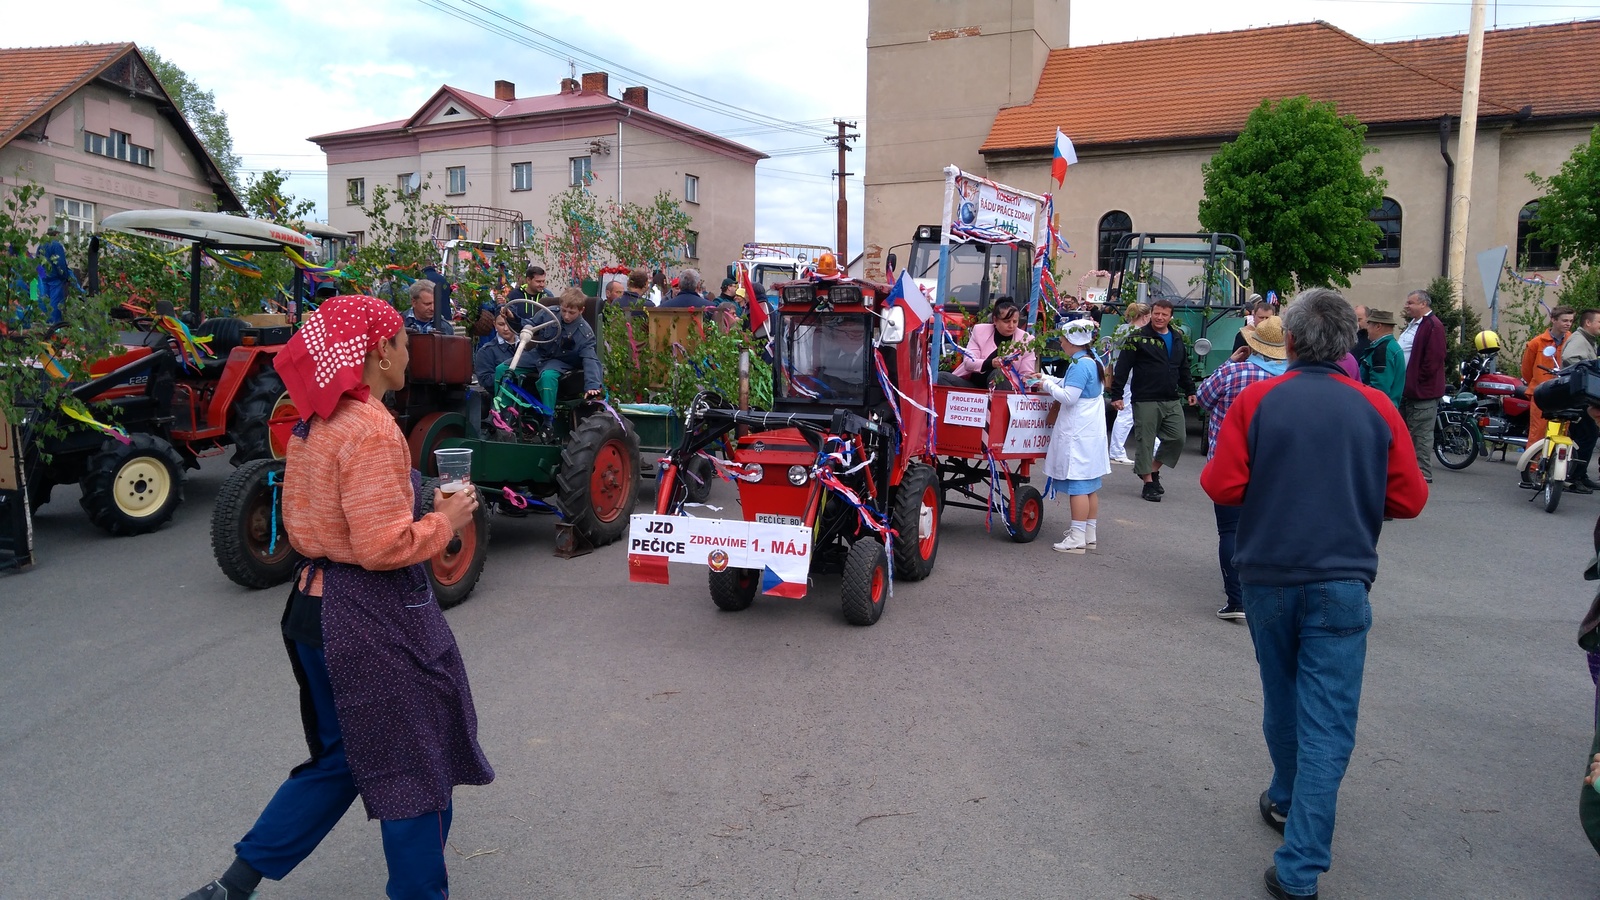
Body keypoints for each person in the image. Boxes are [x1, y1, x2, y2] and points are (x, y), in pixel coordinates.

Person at [180, 296, 490, 900]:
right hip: (367, 616)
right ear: (378, 352)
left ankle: (231, 886)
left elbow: (324, 522)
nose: (408, 353)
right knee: (413, 768)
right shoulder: (372, 427)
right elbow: (380, 547)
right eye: (402, 342)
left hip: (312, 610)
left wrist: (415, 507)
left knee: (342, 758)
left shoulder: (312, 420)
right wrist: (444, 521)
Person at [1201, 287, 1428, 900]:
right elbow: (1409, 499)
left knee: (1282, 696)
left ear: (1292, 341)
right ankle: (1300, 860)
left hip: (1269, 575)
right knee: (1328, 717)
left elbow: (1221, 485)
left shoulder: (1258, 399)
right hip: (1342, 579)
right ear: (1348, 344)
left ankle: (1284, 797)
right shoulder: (1377, 408)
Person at [1195, 315, 1289, 622]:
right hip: (1276, 466)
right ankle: (1269, 595)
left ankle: (1237, 600)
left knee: (1231, 530)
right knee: (1272, 529)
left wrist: (1227, 364)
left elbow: (1204, 399)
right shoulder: (1291, 378)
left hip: (1229, 462)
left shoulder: (1233, 372)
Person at [1036, 319, 1111, 554]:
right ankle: (1089, 532)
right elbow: (1074, 386)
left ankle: (1076, 535)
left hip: (1079, 430)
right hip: (1090, 430)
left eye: (1063, 340)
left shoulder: (1079, 365)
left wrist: (1045, 387)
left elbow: (1069, 396)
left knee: (1078, 484)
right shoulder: (1093, 359)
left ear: (1072, 342)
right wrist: (1046, 379)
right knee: (1090, 485)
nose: (1060, 343)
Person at [1110, 297, 1196, 502]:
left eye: (1164, 314)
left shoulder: (1176, 338)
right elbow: (1123, 366)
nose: (1159, 317)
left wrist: (1190, 389)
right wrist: (1117, 394)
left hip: (1171, 397)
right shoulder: (1138, 337)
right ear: (1151, 314)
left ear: (1170, 317)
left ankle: (1152, 469)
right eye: (1156, 313)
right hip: (1145, 397)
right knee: (1145, 441)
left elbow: (1182, 367)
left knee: (1178, 438)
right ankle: (1148, 483)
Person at [524, 288, 603, 412]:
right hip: (539, 354)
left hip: (561, 362)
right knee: (503, 369)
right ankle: (502, 414)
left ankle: (548, 421)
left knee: (547, 377)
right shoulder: (548, 314)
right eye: (564, 310)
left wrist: (592, 385)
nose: (566, 316)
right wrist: (514, 319)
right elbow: (530, 324)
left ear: (581, 310)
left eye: (571, 312)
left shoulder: (585, 333)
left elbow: (590, 359)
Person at [1398, 289, 1447, 483]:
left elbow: (1434, 358)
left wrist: (1417, 380)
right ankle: (1410, 470)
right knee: (1406, 430)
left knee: (1421, 434)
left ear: (1423, 304)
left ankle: (1422, 473)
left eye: (1410, 303)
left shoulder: (1433, 325)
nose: (1407, 306)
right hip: (1409, 389)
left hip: (1422, 392)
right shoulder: (1415, 324)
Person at [940, 299, 1036, 389]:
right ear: (995, 320)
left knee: (998, 374)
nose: (1011, 325)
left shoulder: (1026, 340)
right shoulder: (980, 331)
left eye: (1015, 322)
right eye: (1006, 321)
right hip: (973, 385)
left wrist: (1037, 380)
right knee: (940, 377)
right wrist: (991, 363)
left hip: (1007, 390)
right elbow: (968, 363)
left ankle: (996, 406)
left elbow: (1026, 374)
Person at [1525, 305, 1577, 464]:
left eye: (1571, 321)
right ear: (1553, 320)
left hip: (1564, 393)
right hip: (1541, 393)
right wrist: (1537, 383)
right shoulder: (1537, 343)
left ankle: (1556, 466)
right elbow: (1527, 370)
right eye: (1564, 320)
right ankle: (1532, 467)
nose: (1568, 324)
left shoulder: (1572, 340)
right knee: (1538, 432)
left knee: (1562, 432)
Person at [1107, 302, 1151, 465]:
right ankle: (1116, 450)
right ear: (1145, 316)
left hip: (1125, 377)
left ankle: (1155, 446)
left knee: (1133, 413)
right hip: (1134, 378)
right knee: (1128, 415)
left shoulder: (1121, 331)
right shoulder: (1139, 334)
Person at [1563, 309, 1600, 493]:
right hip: (1578, 398)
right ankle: (1574, 477)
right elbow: (1569, 357)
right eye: (1599, 322)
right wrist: (1589, 368)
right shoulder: (1579, 339)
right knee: (1588, 435)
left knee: (1586, 435)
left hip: (1582, 397)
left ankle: (1580, 475)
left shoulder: (1587, 340)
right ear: (1588, 323)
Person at [473, 306, 535, 390]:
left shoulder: (529, 347)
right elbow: (485, 381)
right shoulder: (486, 351)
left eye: (509, 324)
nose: (506, 329)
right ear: (494, 324)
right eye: (501, 324)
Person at [1358, 308, 1405, 409]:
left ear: (1378, 326)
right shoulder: (1392, 346)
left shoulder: (1382, 350)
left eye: (1369, 324)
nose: (1367, 328)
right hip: (1386, 408)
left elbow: (1379, 388)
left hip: (1378, 410)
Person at [37, 226, 81, 325]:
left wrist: (42, 276)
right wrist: (64, 276)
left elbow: (37, 261)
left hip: (44, 278)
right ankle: (54, 326)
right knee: (55, 303)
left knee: (44, 300)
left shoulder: (41, 245)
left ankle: (43, 324)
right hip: (55, 278)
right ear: (56, 234)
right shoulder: (56, 245)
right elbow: (60, 263)